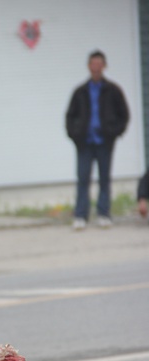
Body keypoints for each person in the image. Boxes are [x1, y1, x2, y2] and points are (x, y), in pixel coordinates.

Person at [65, 50, 130, 230]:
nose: (96, 67)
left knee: (104, 179)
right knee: (83, 179)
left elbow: (124, 114)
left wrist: (114, 132)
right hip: (85, 143)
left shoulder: (113, 90)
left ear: (104, 66)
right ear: (88, 66)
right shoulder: (80, 91)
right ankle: (80, 215)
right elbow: (70, 116)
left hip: (104, 142)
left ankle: (103, 214)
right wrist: (74, 134)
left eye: (99, 64)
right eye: (93, 64)